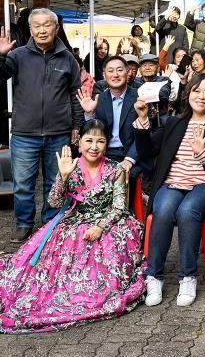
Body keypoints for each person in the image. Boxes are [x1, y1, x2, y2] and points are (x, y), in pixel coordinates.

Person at [0, 120, 145, 333]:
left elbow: (119, 208)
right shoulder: (71, 166)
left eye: (100, 141)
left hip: (109, 223)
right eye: (89, 141)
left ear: (106, 144)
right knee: (56, 252)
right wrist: (63, 176)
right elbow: (55, 202)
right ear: (79, 142)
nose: (94, 147)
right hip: (75, 220)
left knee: (109, 250)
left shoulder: (116, 169)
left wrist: (100, 227)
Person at [134, 73, 205, 307]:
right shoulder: (174, 122)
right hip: (173, 183)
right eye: (196, 91)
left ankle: (188, 277)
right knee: (164, 209)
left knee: (188, 210)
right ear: (188, 93)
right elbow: (147, 151)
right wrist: (142, 123)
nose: (201, 96)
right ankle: (154, 276)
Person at [0, 8, 83, 243]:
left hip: (59, 133)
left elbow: (75, 94)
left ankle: (51, 222)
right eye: (37, 26)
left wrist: (77, 125)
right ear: (30, 29)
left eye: (47, 25)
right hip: (25, 133)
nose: (42, 30)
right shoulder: (17, 56)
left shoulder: (68, 58)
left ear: (56, 28)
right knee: (23, 184)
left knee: (54, 182)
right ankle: (24, 223)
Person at [77, 56, 141, 178]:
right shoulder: (100, 99)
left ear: (128, 73)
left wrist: (129, 159)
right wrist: (89, 113)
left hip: (130, 153)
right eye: (110, 71)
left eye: (119, 70)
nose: (115, 75)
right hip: (104, 152)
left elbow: (144, 136)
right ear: (104, 75)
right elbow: (93, 133)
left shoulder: (140, 97)